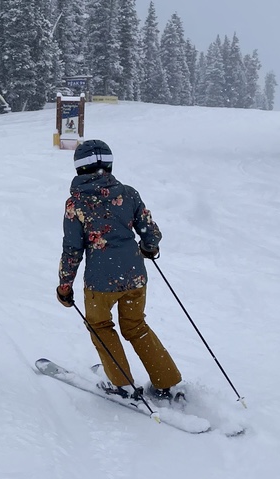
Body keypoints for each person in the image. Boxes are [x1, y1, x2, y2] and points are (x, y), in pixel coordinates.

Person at [54, 139, 184, 401]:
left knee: (100, 325)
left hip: (100, 282)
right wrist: (148, 247)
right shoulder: (128, 193)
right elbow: (150, 232)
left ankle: (122, 383)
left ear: (79, 168)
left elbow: (72, 250)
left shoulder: (75, 204)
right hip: (135, 276)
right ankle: (165, 381)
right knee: (136, 326)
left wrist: (65, 286)